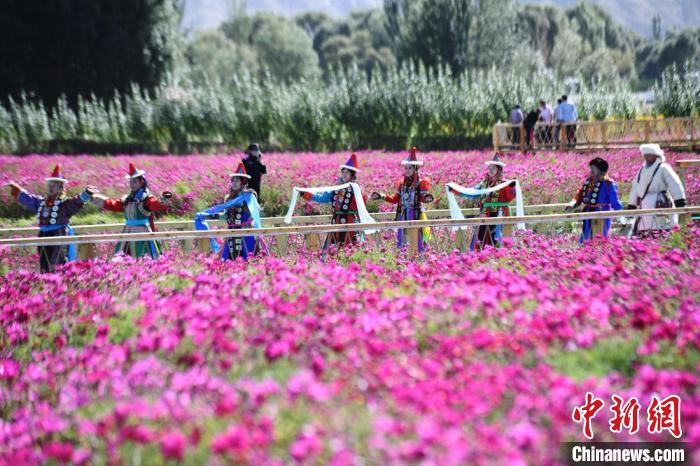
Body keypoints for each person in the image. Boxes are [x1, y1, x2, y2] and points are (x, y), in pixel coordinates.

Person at [5, 165, 95, 272]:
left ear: (61, 188)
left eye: (54, 186)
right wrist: (17, 189)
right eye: (50, 185)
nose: (51, 188)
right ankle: (47, 283)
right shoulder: (42, 202)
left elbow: (76, 202)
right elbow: (30, 199)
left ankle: (60, 283)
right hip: (43, 235)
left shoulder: (64, 204)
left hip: (59, 234)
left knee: (58, 262)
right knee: (44, 263)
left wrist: (86, 194)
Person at [91, 163, 172, 258]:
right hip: (128, 233)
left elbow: (156, 205)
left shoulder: (147, 198)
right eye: (130, 181)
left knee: (144, 259)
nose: (131, 184)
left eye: (134, 182)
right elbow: (115, 205)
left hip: (143, 234)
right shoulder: (128, 199)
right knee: (123, 259)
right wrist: (99, 200)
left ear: (141, 182)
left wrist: (164, 200)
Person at [371, 147, 434, 252]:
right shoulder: (402, 184)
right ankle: (404, 259)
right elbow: (395, 199)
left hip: (415, 215)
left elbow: (422, 198)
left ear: (415, 169)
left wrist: (427, 198)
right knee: (403, 240)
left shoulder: (421, 183)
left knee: (416, 239)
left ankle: (418, 259)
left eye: (410, 168)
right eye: (406, 168)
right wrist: (381, 196)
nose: (407, 170)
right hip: (403, 215)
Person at [300, 153, 367, 250]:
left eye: (347, 172)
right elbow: (323, 197)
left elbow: (363, 205)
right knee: (333, 250)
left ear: (352, 174)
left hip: (351, 223)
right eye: (343, 172)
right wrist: (306, 194)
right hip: (336, 222)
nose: (344, 174)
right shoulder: (336, 188)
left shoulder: (357, 189)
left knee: (350, 249)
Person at [450, 154, 517, 250]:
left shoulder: (504, 184)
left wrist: (512, 186)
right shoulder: (483, 184)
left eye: (493, 168)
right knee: (481, 238)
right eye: (490, 168)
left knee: (496, 238)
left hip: (499, 215)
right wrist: (455, 190)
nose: (491, 170)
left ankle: (498, 256)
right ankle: (481, 257)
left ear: (499, 170)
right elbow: (472, 192)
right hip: (485, 215)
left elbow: (511, 195)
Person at [627, 144, 686, 235]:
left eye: (649, 155)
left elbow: (673, 183)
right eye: (645, 155)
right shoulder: (642, 169)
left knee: (661, 225)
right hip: (645, 203)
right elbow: (636, 186)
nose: (647, 157)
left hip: (660, 201)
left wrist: (679, 200)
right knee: (644, 226)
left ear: (656, 155)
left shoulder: (664, 168)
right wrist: (632, 204)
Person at [565, 157, 623, 242]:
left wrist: (621, 217)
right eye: (591, 168)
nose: (591, 170)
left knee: (599, 238)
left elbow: (615, 201)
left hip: (602, 214)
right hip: (588, 213)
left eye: (594, 168)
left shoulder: (608, 184)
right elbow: (579, 196)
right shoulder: (588, 182)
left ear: (601, 170)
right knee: (586, 236)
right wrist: (571, 205)